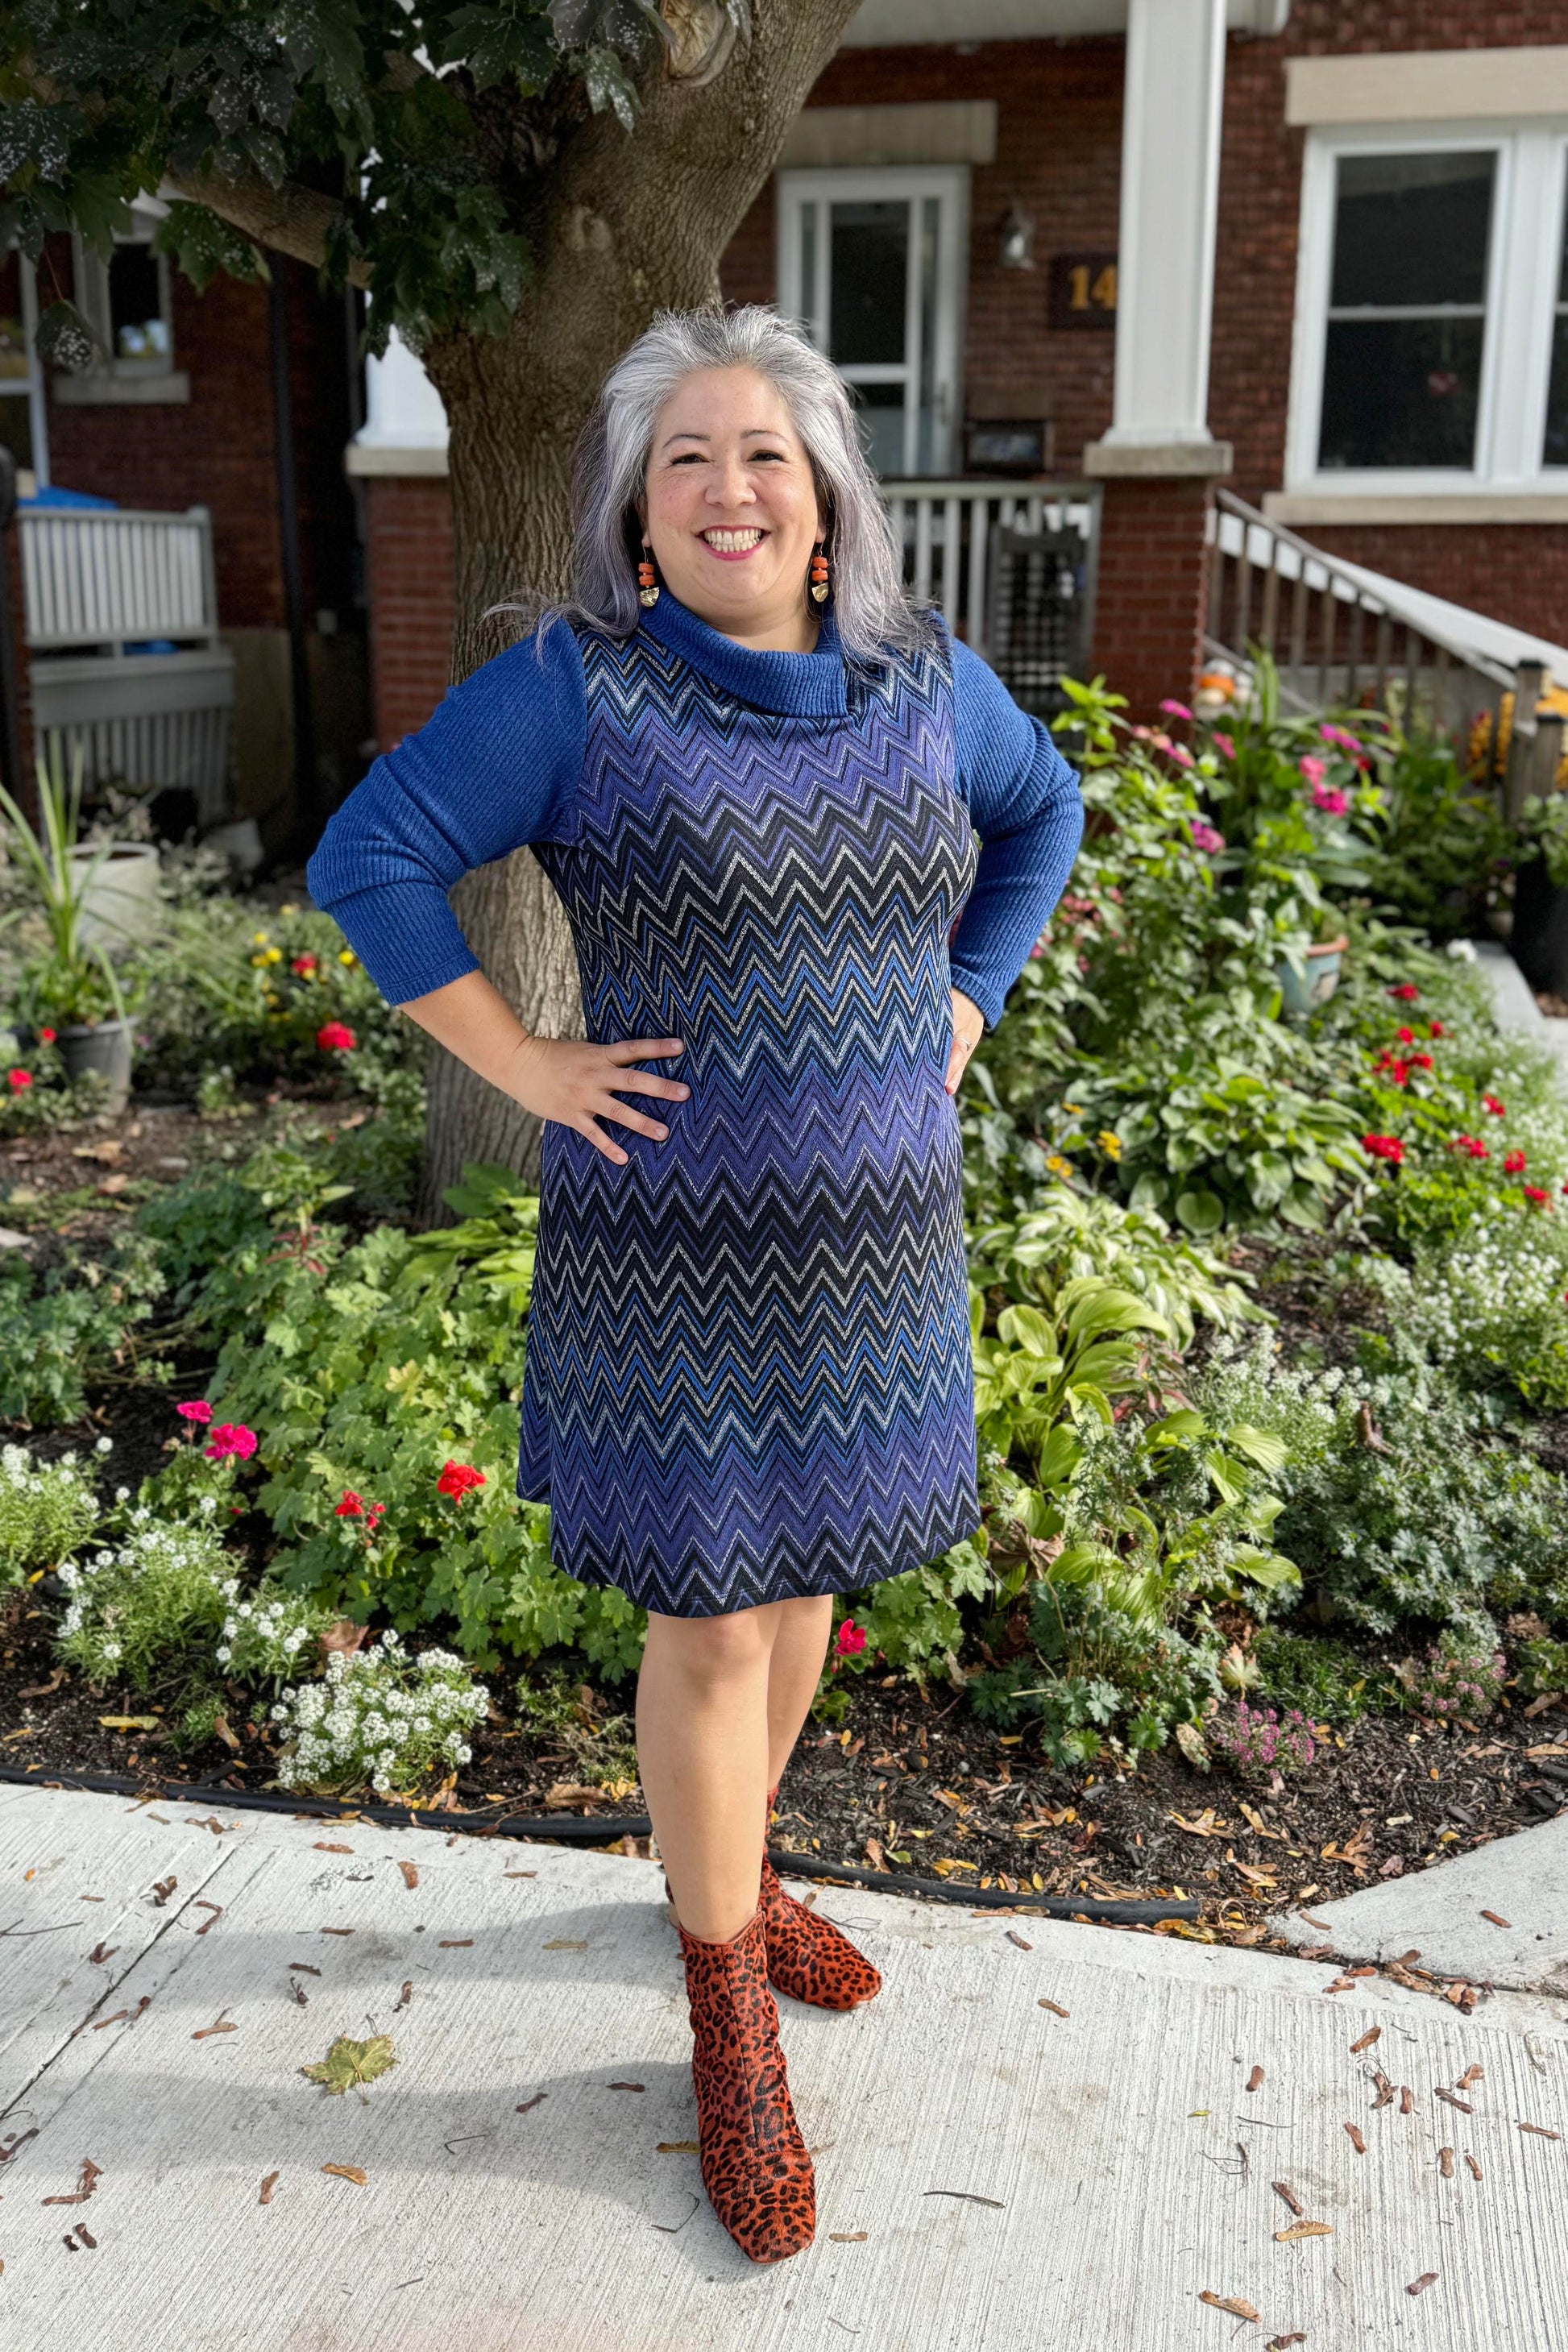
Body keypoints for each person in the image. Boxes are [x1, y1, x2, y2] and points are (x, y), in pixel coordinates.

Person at [306, 304, 1083, 2265]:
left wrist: (970, 1000)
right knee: (716, 1623)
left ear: (827, 510)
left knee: (807, 1585)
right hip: (675, 1265)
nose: (730, 486)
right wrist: (532, 1065)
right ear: (636, 527)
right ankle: (727, 2003)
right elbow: (371, 855)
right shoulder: (580, 690)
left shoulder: (924, 684)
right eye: (684, 460)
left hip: (879, 1252)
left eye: (765, 454)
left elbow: (1042, 814)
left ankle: (718, 1872)